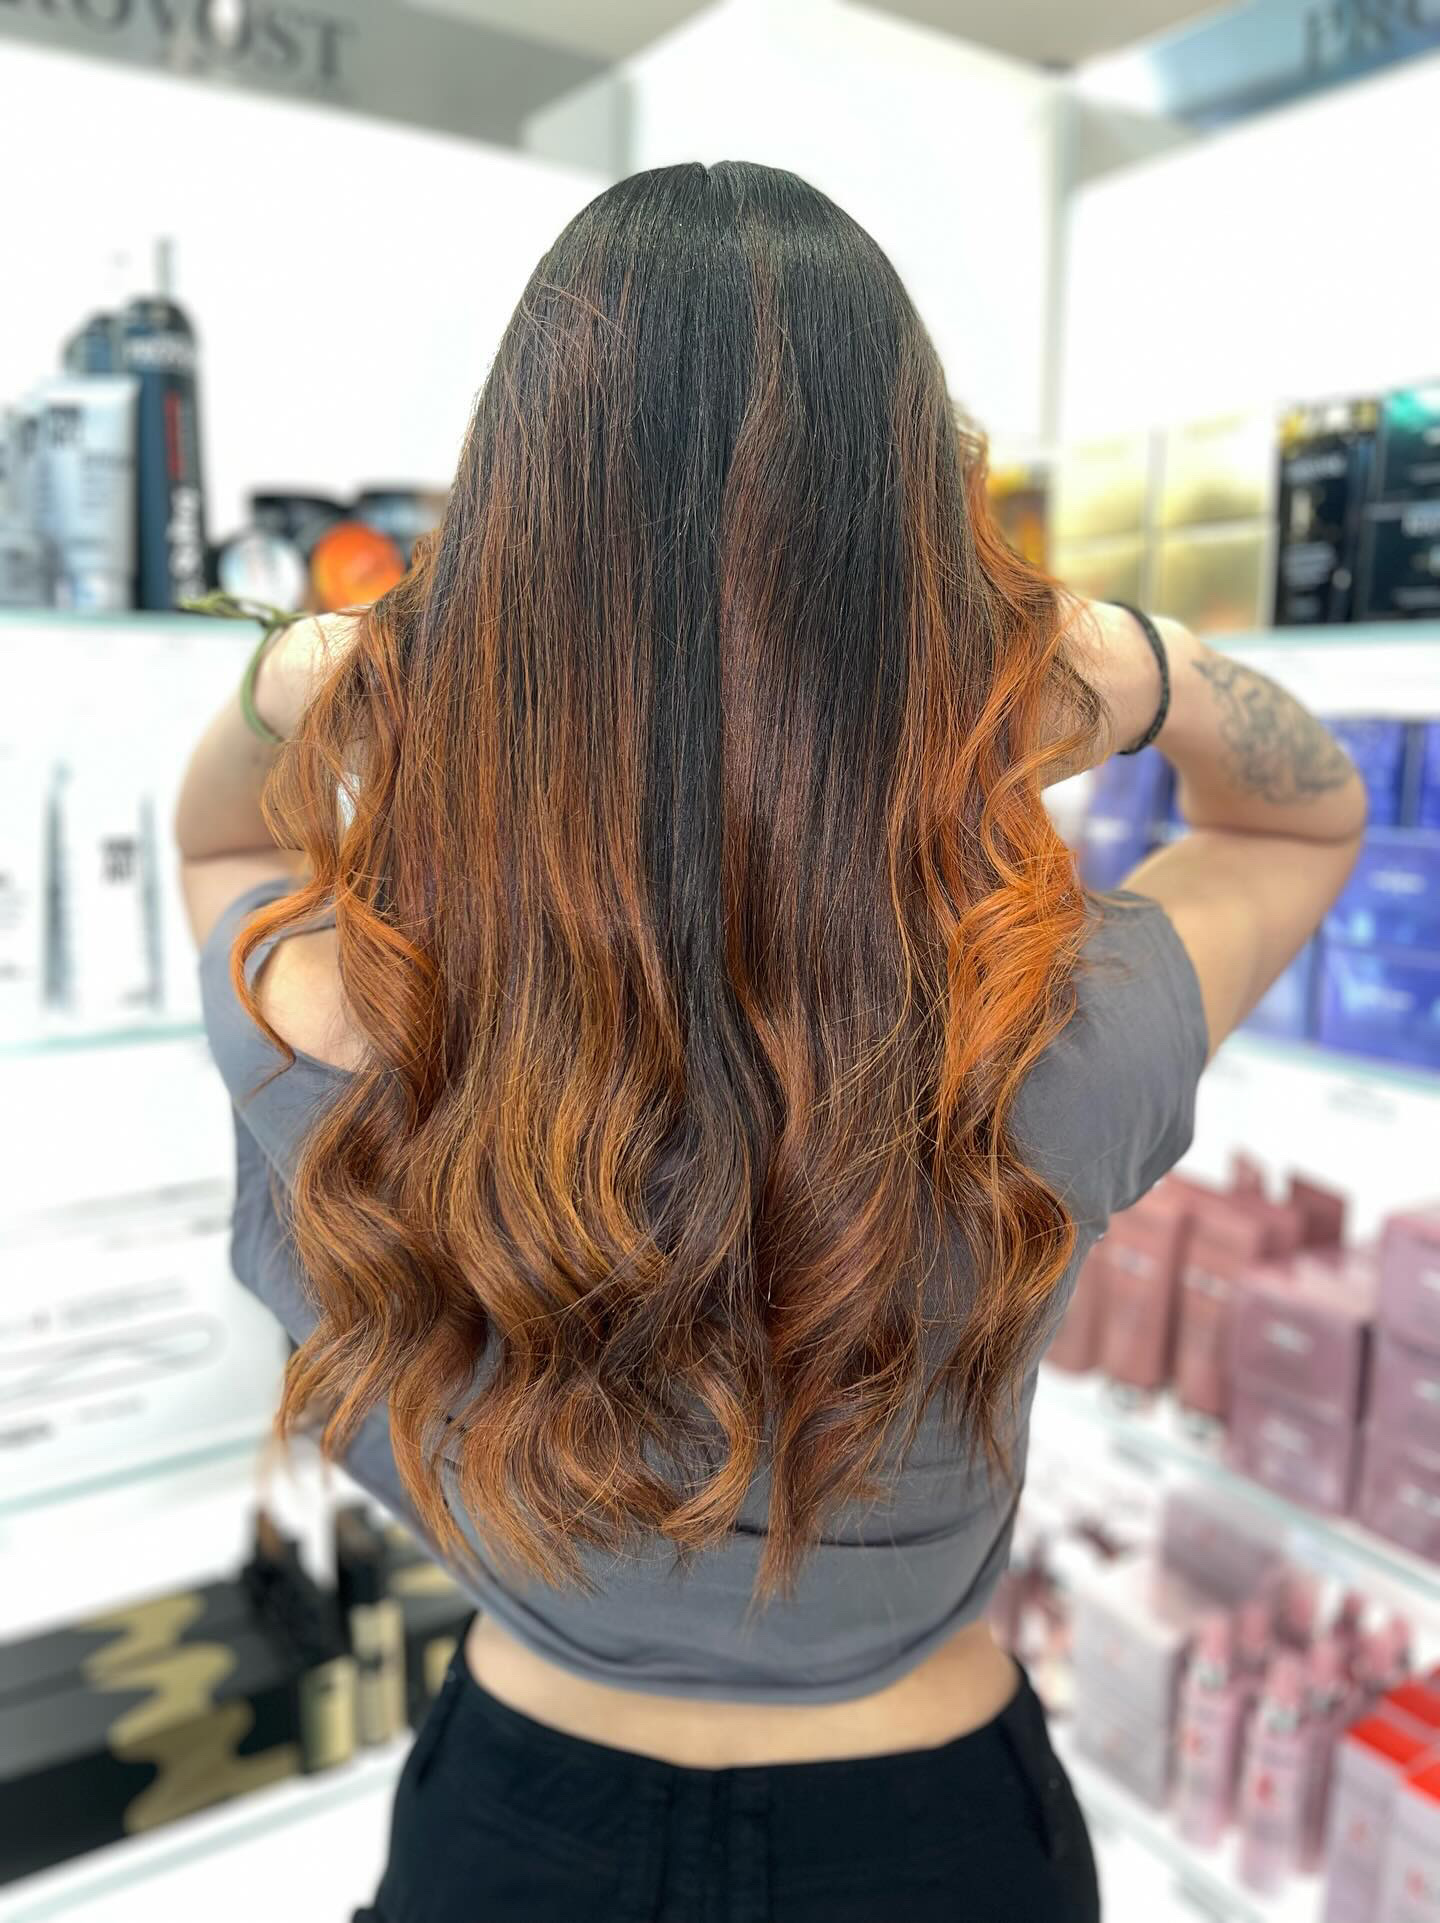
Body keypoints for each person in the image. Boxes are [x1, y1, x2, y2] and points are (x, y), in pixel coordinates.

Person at [174, 162, 1366, 1923]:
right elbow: (1299, 817)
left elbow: (223, 845)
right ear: (924, 558)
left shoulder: (339, 1009)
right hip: (935, 1839)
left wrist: (297, 676)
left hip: (518, 1824)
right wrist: (1138, 660)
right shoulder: (1064, 1025)